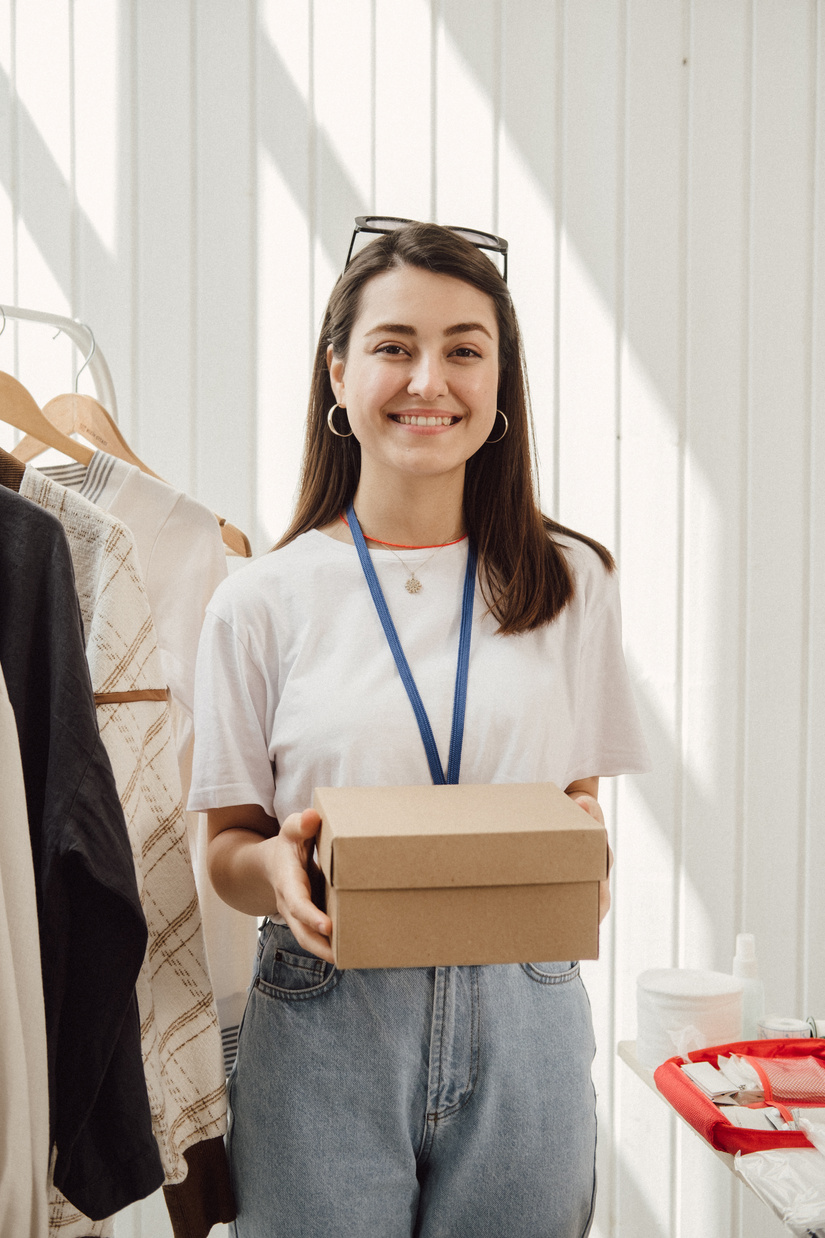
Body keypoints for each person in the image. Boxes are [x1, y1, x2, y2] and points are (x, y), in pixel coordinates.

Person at [188, 220, 648, 1238]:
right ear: (339, 372)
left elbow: (578, 803)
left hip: (526, 1007)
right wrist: (278, 867)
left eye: (464, 349)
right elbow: (222, 850)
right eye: (395, 344)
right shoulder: (259, 599)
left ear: (501, 384)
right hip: (325, 1008)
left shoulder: (574, 584)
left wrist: (586, 858)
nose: (427, 378)